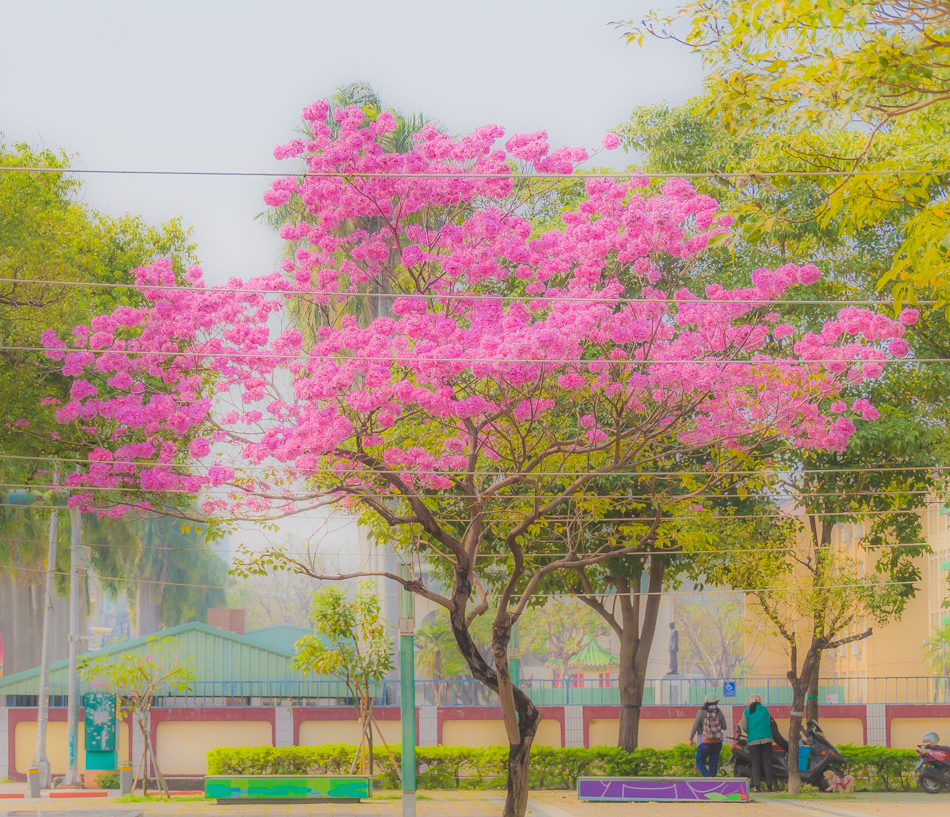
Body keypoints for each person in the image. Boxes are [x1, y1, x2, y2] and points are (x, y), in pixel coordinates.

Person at [740, 694, 775, 792]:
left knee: (755, 763)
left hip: (753, 740)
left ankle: (757, 787)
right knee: (767, 762)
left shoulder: (746, 711)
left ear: (749, 702)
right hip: (767, 739)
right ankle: (769, 787)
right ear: (760, 702)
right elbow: (768, 723)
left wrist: (751, 733)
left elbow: (744, 727)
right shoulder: (765, 710)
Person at [689, 693, 726, 777]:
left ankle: (707, 776)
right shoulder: (719, 712)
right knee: (713, 761)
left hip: (704, 741)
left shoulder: (701, 712)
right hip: (717, 741)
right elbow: (724, 727)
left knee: (699, 760)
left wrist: (691, 739)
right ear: (716, 702)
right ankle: (712, 779)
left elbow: (695, 726)